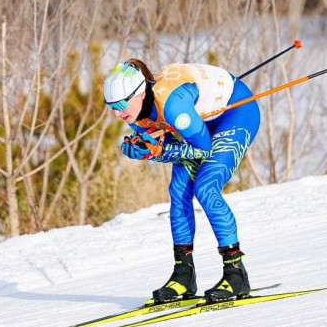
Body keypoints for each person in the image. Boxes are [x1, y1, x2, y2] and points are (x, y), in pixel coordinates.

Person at [102, 59, 260, 303]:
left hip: (235, 113)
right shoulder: (135, 111)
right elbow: (157, 143)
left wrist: (157, 152)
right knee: (178, 191)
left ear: (140, 94)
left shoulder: (173, 105)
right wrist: (143, 147)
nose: (116, 113)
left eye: (121, 104)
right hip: (200, 121)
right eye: (110, 106)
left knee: (206, 187)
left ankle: (236, 274)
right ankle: (184, 275)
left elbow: (203, 150)